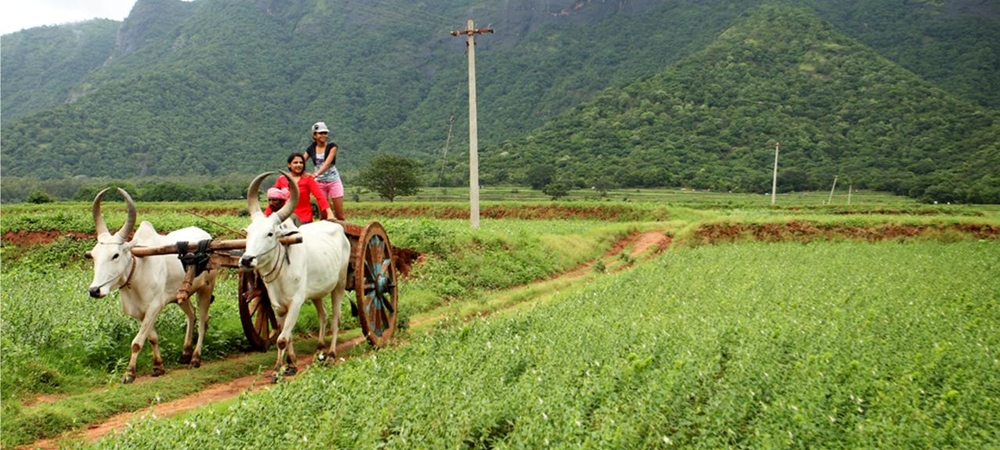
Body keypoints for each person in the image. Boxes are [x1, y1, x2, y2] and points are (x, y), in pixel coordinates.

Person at [270, 153, 334, 224]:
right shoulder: (281, 179)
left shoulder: (308, 179)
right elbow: (273, 201)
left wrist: (329, 213)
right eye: (295, 162)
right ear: (289, 164)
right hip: (286, 220)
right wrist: (265, 216)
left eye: (301, 163)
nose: (299, 165)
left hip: (304, 220)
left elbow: (319, 197)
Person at [305, 121, 345, 220]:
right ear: (314, 135)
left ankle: (344, 234)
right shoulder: (311, 148)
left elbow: (327, 164)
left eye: (325, 133)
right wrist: (298, 172)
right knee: (323, 215)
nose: (323, 135)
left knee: (339, 215)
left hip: (333, 181)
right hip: (320, 183)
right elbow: (301, 160)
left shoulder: (332, 146)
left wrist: (316, 174)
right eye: (320, 133)